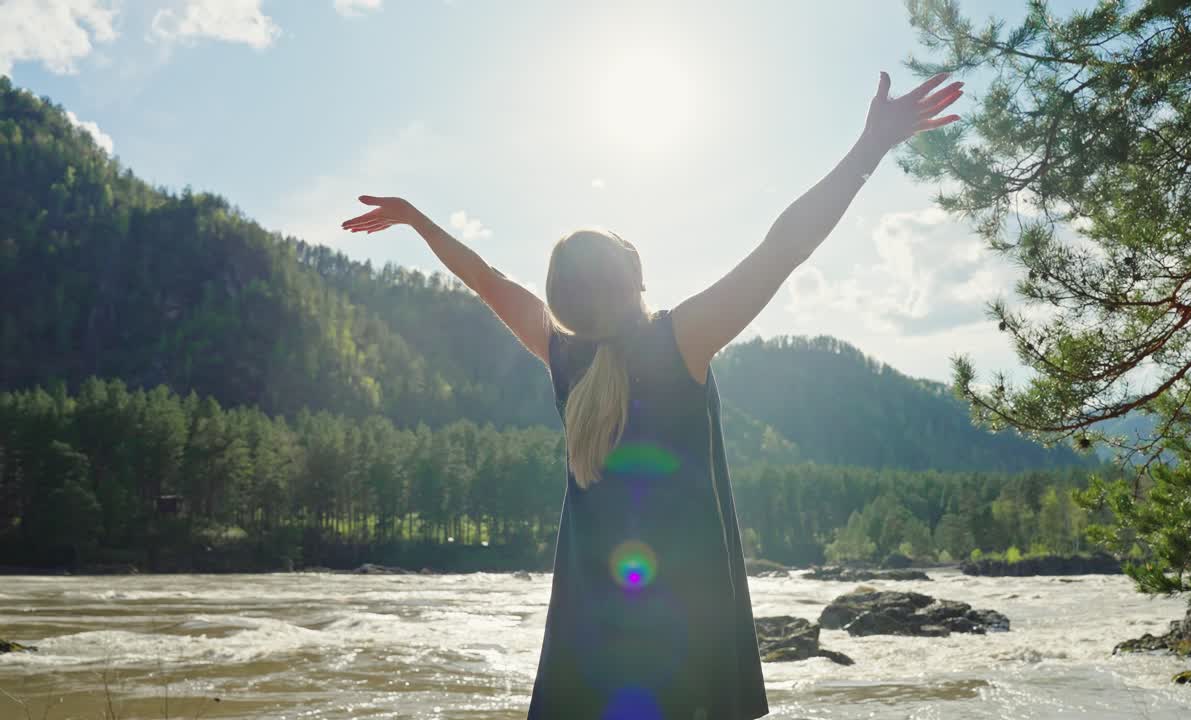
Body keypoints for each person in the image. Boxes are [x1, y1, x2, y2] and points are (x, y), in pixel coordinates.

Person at [341, 71, 962, 720]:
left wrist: (416, 220)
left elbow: (486, 279)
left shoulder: (563, 355)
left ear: (564, 302)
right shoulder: (679, 343)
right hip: (686, 639)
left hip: (587, 641)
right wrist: (869, 149)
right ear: (636, 275)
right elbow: (785, 248)